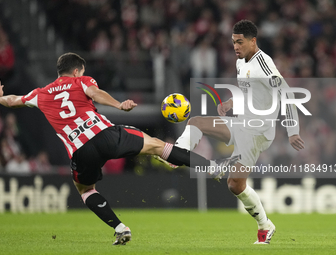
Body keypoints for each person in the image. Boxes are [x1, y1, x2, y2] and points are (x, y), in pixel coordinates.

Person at [0, 52, 230, 245]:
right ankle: (212, 168)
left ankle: (120, 228)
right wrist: (119, 104)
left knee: (86, 190)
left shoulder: (40, 94)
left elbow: (12, 100)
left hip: (80, 150)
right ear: (78, 71)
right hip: (105, 135)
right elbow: (96, 94)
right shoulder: (82, 81)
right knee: (158, 146)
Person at [173, 20, 305, 244]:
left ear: (253, 41)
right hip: (241, 123)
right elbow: (248, 92)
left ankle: (265, 225)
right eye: (233, 42)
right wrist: (230, 103)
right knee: (196, 122)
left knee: (234, 183)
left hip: (258, 132)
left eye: (240, 42)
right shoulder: (240, 62)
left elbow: (287, 94)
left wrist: (293, 130)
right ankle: (175, 153)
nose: (235, 46)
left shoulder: (265, 65)